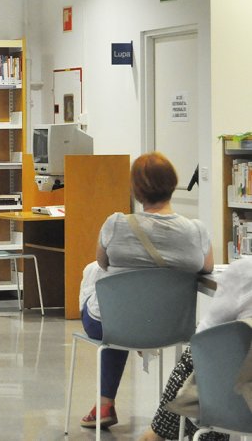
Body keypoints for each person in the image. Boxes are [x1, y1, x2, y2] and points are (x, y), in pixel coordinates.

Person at [78, 152, 214, 429]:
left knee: (98, 284)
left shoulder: (115, 225)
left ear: (135, 189)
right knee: (123, 315)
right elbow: (207, 267)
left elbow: (103, 263)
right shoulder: (195, 231)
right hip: (170, 326)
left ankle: (105, 401)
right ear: (174, 183)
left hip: (114, 324)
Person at [137, 258, 252, 441]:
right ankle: (158, 432)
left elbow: (203, 337)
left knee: (203, 352)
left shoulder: (244, 271)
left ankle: (159, 431)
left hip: (237, 402)